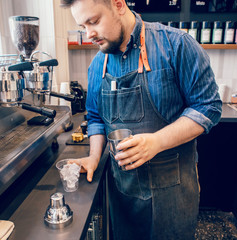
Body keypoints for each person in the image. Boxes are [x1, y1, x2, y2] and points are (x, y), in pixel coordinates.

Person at [60, 0, 222, 239]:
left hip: (172, 193)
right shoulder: (97, 66)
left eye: (93, 22)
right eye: (83, 26)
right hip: (124, 192)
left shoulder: (176, 44)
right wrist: (94, 157)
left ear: (118, 5)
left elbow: (208, 106)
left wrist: (157, 141)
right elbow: (95, 118)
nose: (89, 34)